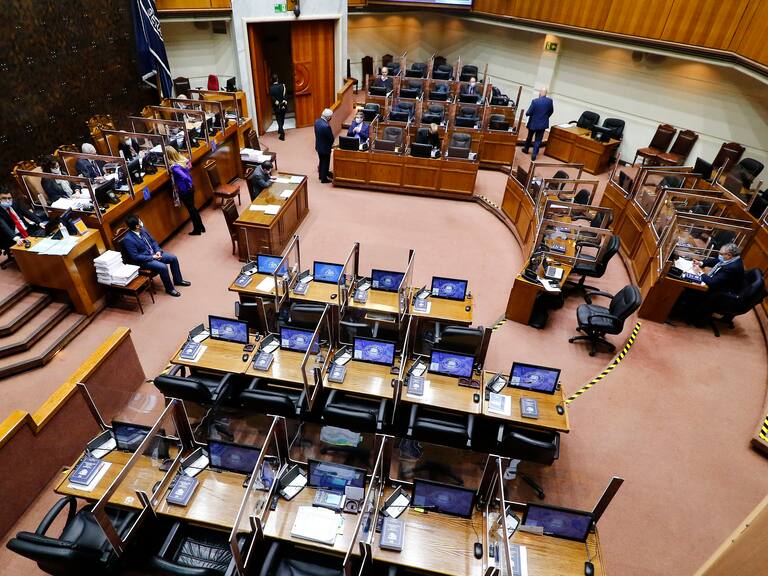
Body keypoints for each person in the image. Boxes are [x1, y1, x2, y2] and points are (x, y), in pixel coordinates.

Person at [122, 214, 190, 297]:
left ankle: (178, 280)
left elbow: (153, 241)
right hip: (143, 261)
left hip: (154, 254)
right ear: (137, 226)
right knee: (163, 267)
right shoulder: (128, 239)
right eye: (140, 221)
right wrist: (152, 257)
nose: (141, 222)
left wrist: (157, 251)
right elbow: (135, 257)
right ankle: (169, 289)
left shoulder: (143, 229)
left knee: (173, 258)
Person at [678, 243, 746, 324]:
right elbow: (716, 260)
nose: (719, 255)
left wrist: (699, 272)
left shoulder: (732, 267)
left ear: (729, 255)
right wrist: (701, 263)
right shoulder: (731, 259)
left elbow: (712, 282)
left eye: (721, 254)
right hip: (719, 285)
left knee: (691, 287)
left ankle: (688, 315)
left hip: (721, 293)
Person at [165, 146, 204, 235]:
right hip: (190, 188)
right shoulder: (182, 159)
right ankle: (201, 226)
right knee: (193, 208)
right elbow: (189, 165)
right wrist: (190, 184)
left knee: (191, 209)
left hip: (185, 190)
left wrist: (188, 184)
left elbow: (185, 177)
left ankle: (197, 230)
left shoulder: (175, 167)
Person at [523, 88, 554, 161]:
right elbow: (551, 111)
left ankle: (526, 149)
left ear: (540, 93)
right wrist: (545, 117)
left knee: (529, 137)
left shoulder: (535, 101)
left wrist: (528, 113)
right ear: (546, 93)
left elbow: (528, 113)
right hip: (543, 124)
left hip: (533, 123)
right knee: (538, 140)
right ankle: (534, 154)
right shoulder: (550, 101)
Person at [314, 108, 334, 184]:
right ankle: (324, 179)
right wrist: (330, 146)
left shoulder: (317, 122)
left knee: (321, 161)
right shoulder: (326, 126)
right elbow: (331, 138)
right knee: (325, 162)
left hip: (318, 146)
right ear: (328, 117)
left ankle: (321, 175)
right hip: (325, 147)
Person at [269, 74, 288, 141]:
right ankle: (280, 129)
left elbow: (271, 97)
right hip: (283, 105)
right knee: (282, 118)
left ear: (272, 80)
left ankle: (281, 131)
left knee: (278, 118)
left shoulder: (271, 88)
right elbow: (285, 94)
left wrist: (275, 101)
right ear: (277, 79)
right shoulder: (282, 86)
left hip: (277, 106)